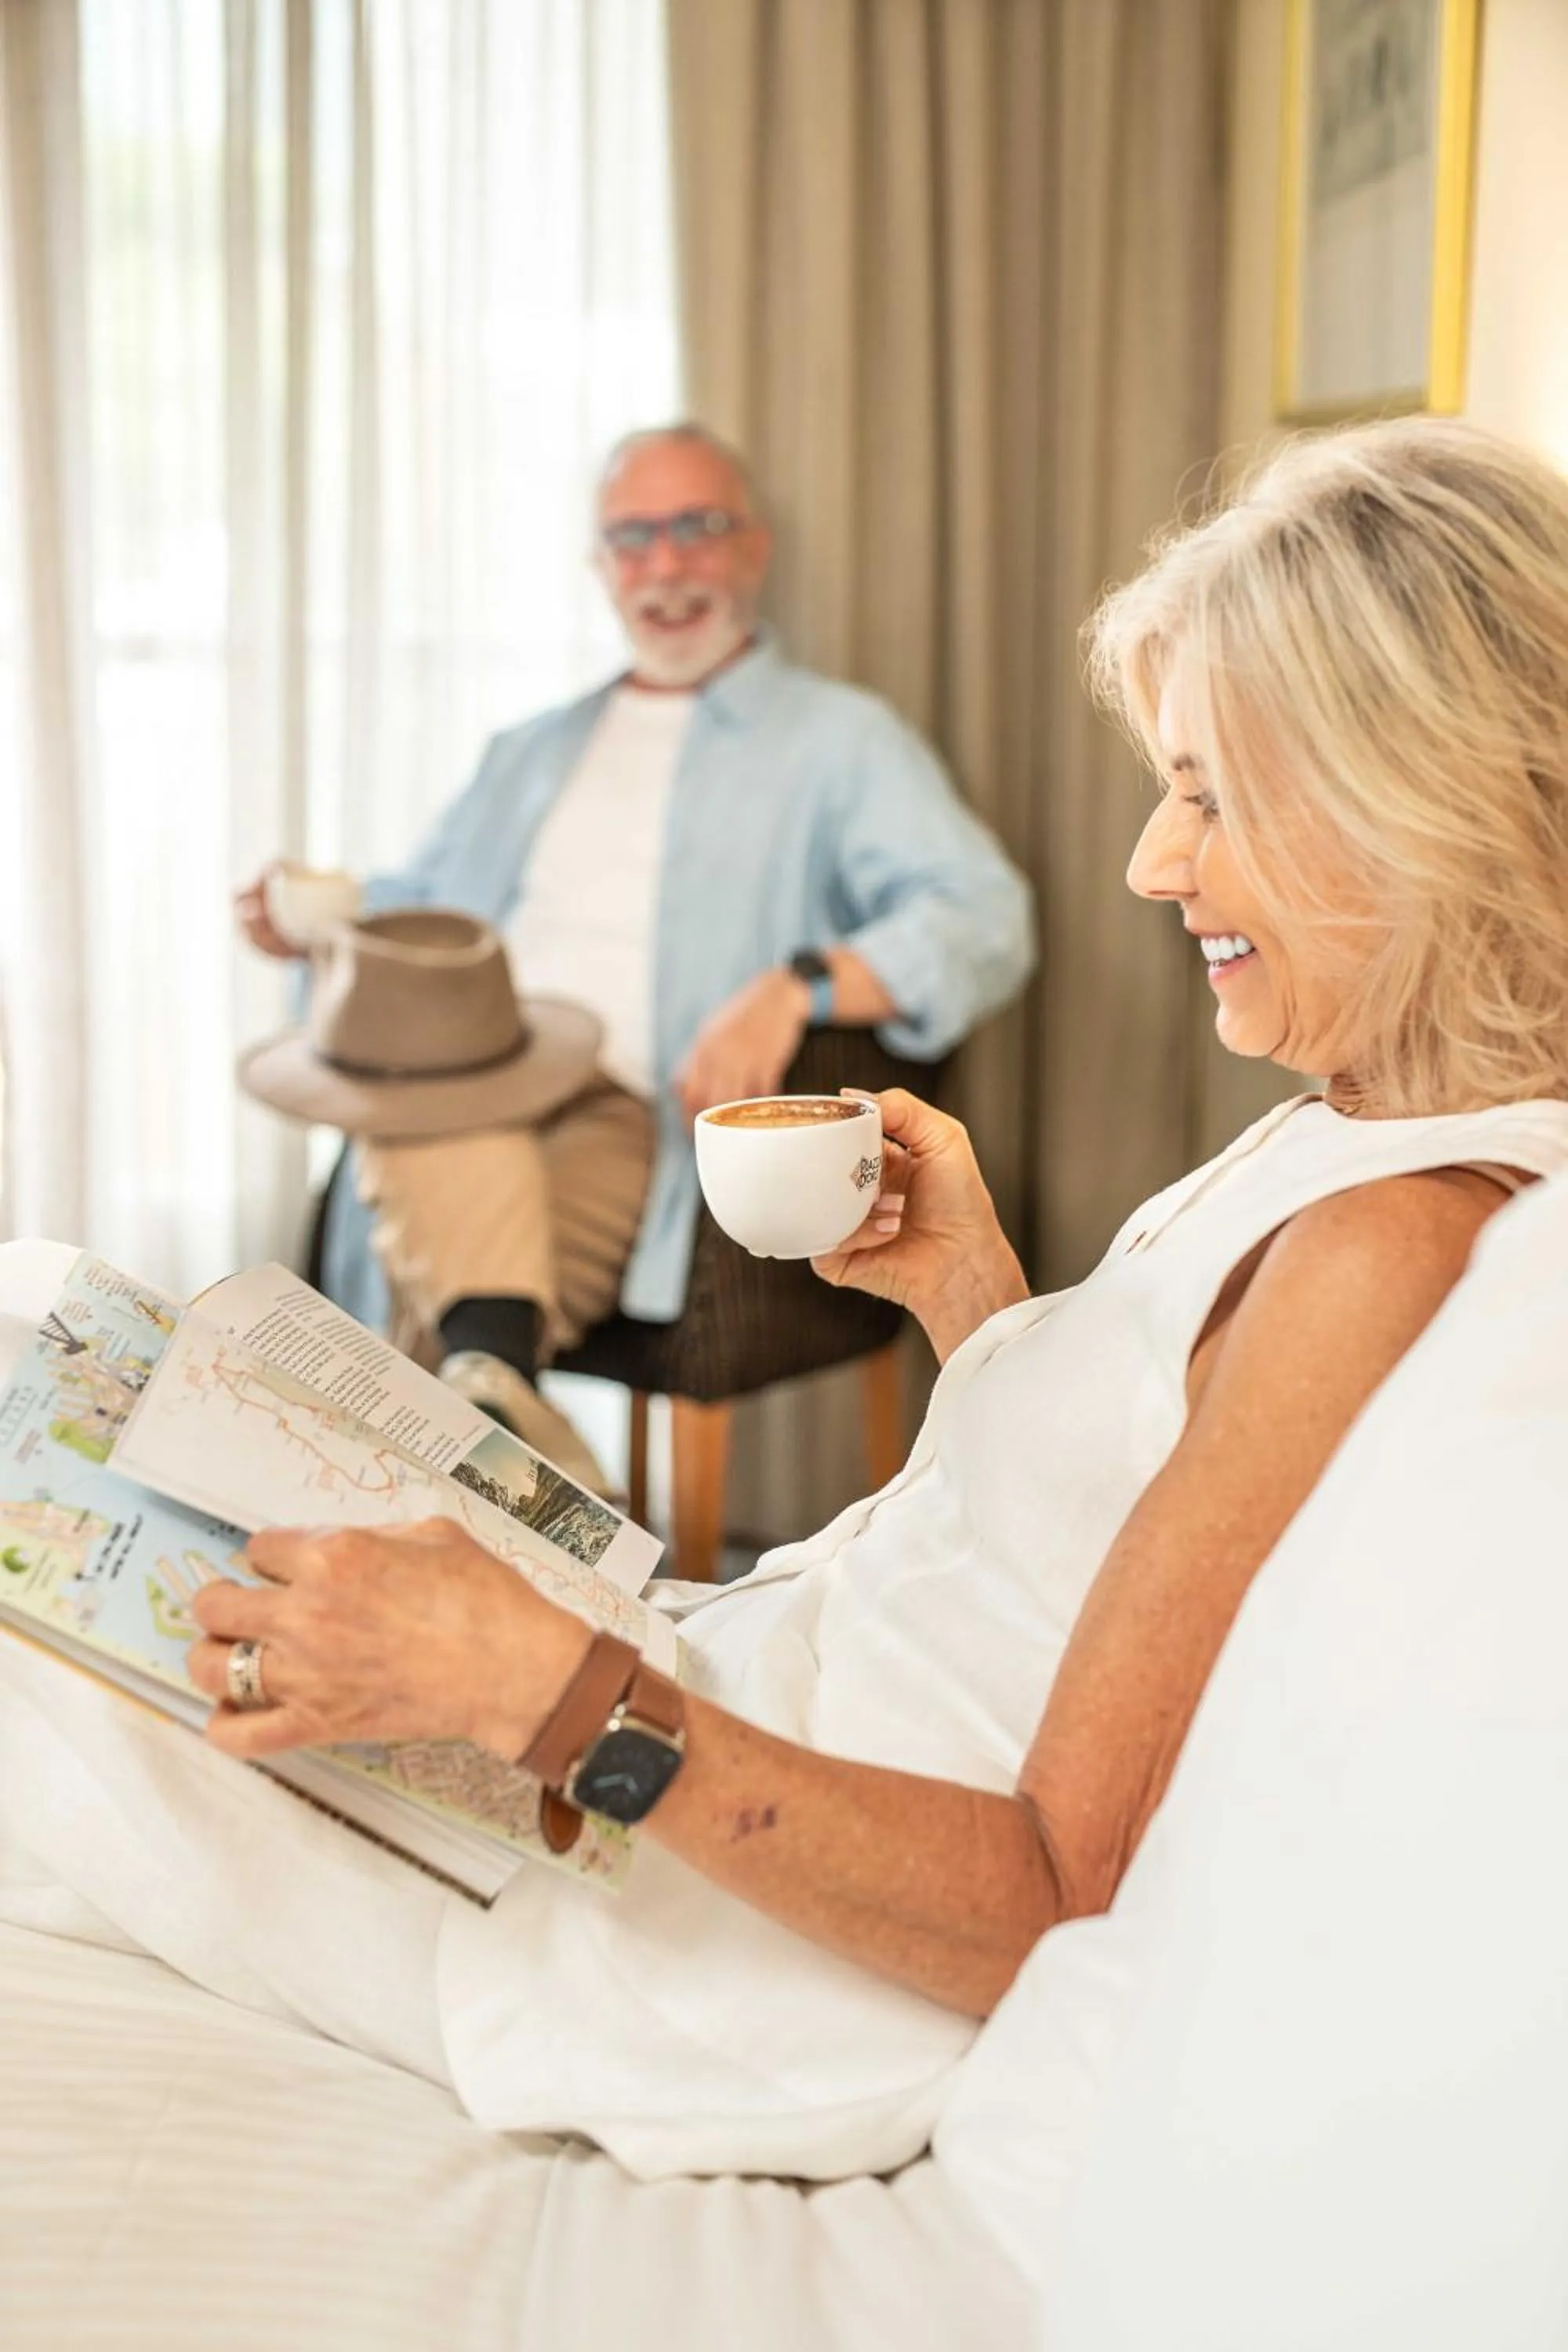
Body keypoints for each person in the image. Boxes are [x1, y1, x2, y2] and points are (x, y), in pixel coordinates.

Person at [8, 418, 1568, 2189]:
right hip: (722, 1706)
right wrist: (977, 1295)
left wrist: (541, 1687)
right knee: (45, 1325)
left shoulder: (1400, 1239)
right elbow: (1129, 1534)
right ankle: (488, 1369)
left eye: (1208, 792)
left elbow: (1060, 1899)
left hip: (720, 1919)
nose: (1151, 859)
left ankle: (490, 1364)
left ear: (1416, 796)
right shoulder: (1360, 1126)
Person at [234, 424, 1035, 1485]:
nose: (665, 566)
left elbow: (982, 916)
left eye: (696, 530)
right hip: (462, 1089)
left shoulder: (840, 741)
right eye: (632, 539)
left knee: (410, 1254)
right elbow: (412, 912)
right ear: (600, 568)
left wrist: (798, 985)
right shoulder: (530, 751)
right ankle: (505, 1414)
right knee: (425, 1111)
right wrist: (309, 921)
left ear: (754, 547)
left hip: (624, 1117)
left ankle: (393, 1481)